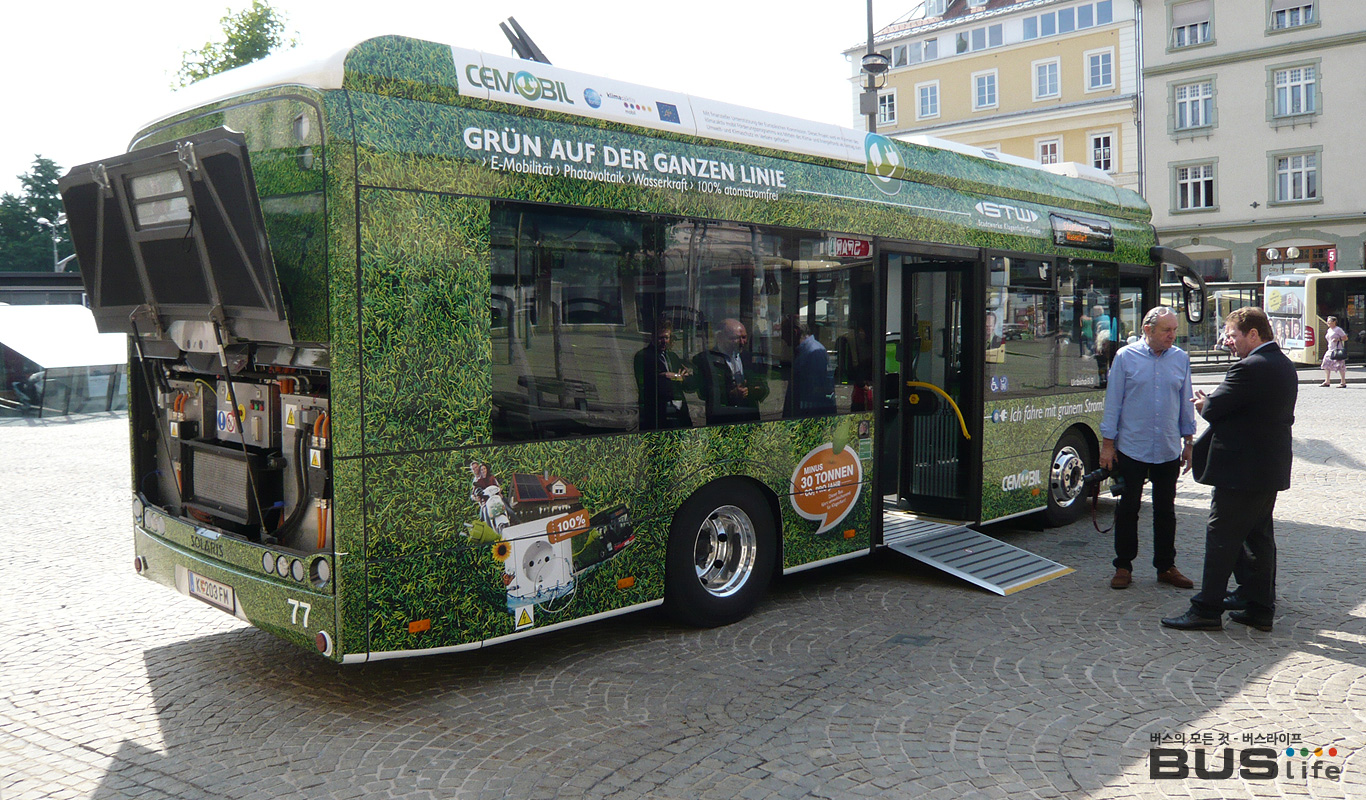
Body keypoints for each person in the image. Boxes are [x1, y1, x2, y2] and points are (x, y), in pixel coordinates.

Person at [1162, 307, 1297, 632]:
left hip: (1241, 472)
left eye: (1232, 335)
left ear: (1253, 334)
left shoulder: (1249, 367)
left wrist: (1203, 403)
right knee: (1259, 538)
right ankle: (1259, 606)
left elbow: (1216, 408)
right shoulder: (1283, 364)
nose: (1227, 341)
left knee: (1222, 537)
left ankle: (1207, 609)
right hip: (1266, 470)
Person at [1099, 306, 1197, 591]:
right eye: (1167, 330)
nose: (1172, 336)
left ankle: (1166, 566)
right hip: (1132, 446)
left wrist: (1188, 442)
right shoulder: (1125, 357)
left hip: (1166, 447)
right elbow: (1113, 402)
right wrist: (1108, 445)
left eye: (1175, 330)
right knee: (1128, 508)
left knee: (1166, 511)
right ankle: (1123, 565)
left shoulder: (1180, 359)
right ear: (1147, 330)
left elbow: (1185, 401)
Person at [692, 318, 768, 424]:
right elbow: (703, 392)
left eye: (744, 337)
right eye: (736, 338)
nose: (742, 342)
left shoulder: (750, 359)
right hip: (722, 421)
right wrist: (730, 394)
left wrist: (750, 390)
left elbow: (764, 387)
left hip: (750, 419)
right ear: (720, 338)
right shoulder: (705, 359)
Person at [633, 320, 693, 430]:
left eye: (666, 338)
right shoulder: (644, 356)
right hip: (656, 414)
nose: (664, 341)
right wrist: (676, 377)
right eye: (661, 338)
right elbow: (654, 383)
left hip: (678, 412)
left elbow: (688, 384)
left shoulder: (672, 357)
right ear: (653, 337)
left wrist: (677, 377)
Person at [779, 315, 836, 417]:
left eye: (784, 333)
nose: (783, 337)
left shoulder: (813, 352)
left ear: (795, 332)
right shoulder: (805, 351)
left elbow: (816, 395)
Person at [1320, 315, 1348, 389]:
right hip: (1330, 349)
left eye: (1329, 321)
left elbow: (1345, 337)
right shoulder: (1329, 330)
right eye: (1327, 321)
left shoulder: (1338, 329)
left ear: (1334, 322)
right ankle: (1327, 381)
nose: (1327, 323)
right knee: (1325, 364)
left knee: (1340, 366)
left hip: (1337, 350)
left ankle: (1343, 382)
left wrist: (1338, 339)